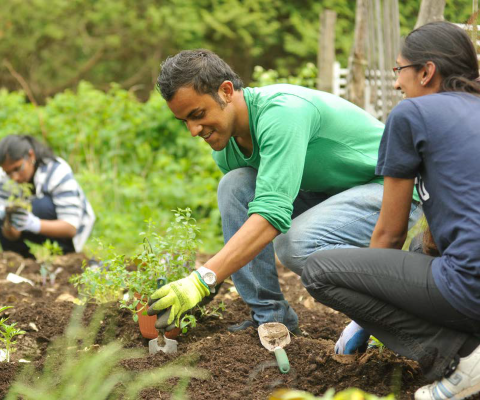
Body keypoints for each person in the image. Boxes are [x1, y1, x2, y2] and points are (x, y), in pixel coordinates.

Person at [147, 49, 421, 335]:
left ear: (226, 91)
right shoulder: (226, 148)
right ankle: (270, 318)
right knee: (235, 185)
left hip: (388, 188)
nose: (193, 130)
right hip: (328, 194)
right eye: (185, 121)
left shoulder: (281, 113)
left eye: (198, 114)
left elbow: (270, 215)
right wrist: (207, 285)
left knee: (296, 243)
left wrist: (203, 280)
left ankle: (391, 314)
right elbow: (252, 218)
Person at [301, 21, 480, 399]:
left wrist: (364, 317)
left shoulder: (412, 114)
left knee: (320, 270)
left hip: (471, 287)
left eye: (400, 71)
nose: (397, 84)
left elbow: (390, 232)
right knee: (422, 251)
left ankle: (458, 359)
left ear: (427, 71)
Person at [0, 134, 95, 258]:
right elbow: (12, 235)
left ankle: (65, 256)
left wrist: (33, 223)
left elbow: (71, 227)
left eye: (17, 169)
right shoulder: (4, 178)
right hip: (31, 227)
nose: (14, 177)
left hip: (66, 229)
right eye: (8, 172)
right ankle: (21, 261)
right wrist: (8, 221)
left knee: (42, 205)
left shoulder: (57, 171)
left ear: (30, 155)